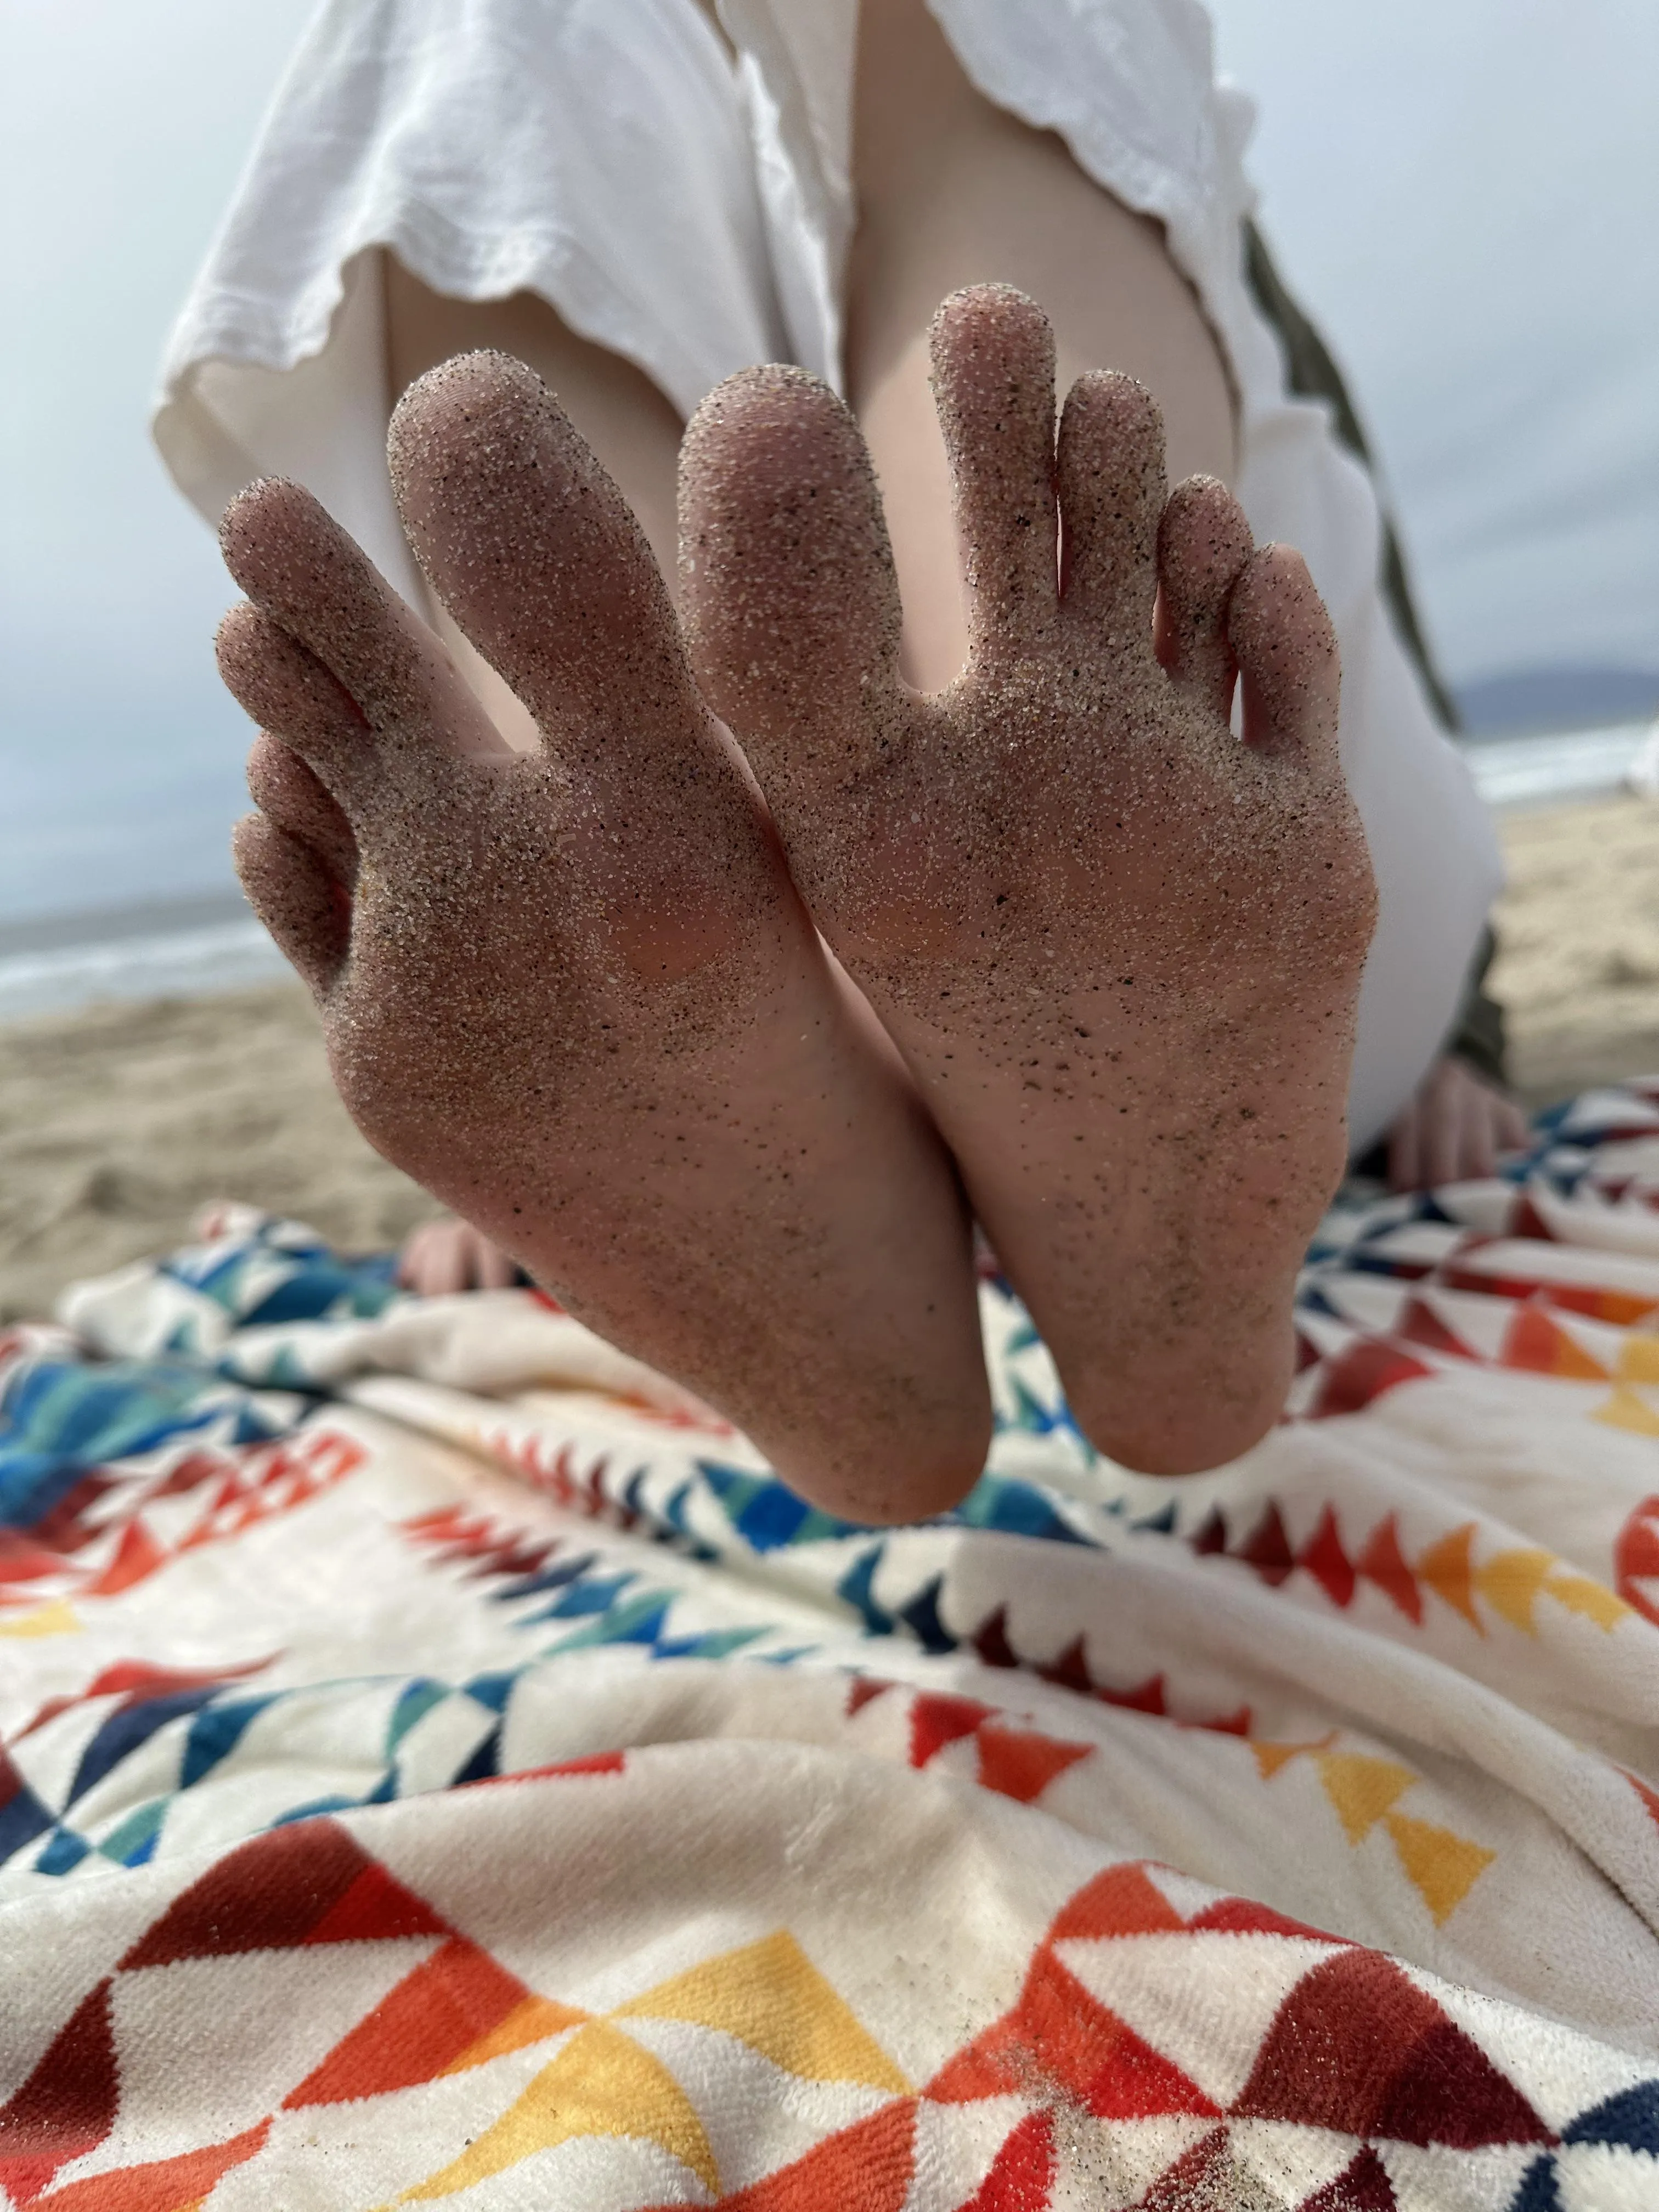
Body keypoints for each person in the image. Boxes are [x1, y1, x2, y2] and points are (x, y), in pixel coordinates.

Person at [159, 0, 1516, 1508]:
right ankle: (908, 1114)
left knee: (467, 32)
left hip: (1000, 983)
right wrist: (1453, 1018)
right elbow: (1361, 583)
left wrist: (1473, 1037)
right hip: (1340, 984)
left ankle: (793, 1150)